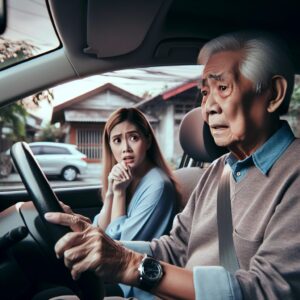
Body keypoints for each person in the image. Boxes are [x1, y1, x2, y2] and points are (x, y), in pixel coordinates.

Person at [44, 31, 300, 300]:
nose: (208, 107)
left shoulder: (293, 174)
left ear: (274, 94)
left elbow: (268, 290)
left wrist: (129, 264)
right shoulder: (218, 171)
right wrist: (105, 244)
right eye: (204, 93)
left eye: (223, 88)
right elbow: (175, 247)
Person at [93, 107, 181, 297]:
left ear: (148, 140)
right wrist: (110, 192)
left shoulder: (158, 185)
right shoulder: (128, 179)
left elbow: (119, 248)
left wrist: (119, 194)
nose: (125, 148)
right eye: (117, 140)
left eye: (133, 138)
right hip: (116, 277)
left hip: (137, 286)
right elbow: (98, 231)